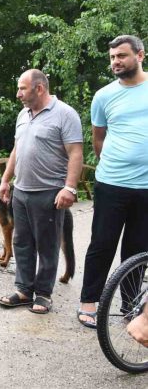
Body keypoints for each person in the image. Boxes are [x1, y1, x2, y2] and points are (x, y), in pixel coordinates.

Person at [0, 69, 83, 314]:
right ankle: (24, 289)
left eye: (22, 88)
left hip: (49, 192)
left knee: (47, 245)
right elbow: (17, 149)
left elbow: (75, 152)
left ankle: (43, 294)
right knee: (22, 242)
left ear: (39, 88)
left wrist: (70, 187)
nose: (18, 94)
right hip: (21, 191)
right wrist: (5, 180)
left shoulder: (65, 114)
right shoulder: (23, 114)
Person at [78, 35, 148, 328]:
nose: (115, 62)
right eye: (112, 58)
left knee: (137, 248)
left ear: (140, 55)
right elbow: (98, 139)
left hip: (146, 188)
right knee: (102, 243)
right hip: (112, 184)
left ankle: (130, 306)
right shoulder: (104, 96)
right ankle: (88, 303)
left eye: (121, 56)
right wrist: (114, 165)